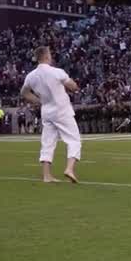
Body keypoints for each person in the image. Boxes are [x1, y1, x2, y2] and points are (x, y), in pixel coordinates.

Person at [20, 46, 82, 184]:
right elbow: (73, 86)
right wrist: (74, 86)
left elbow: (24, 93)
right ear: (47, 56)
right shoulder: (57, 72)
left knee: (47, 142)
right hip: (62, 109)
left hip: (47, 110)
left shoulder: (31, 76)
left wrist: (39, 100)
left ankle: (47, 175)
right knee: (74, 140)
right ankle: (69, 169)